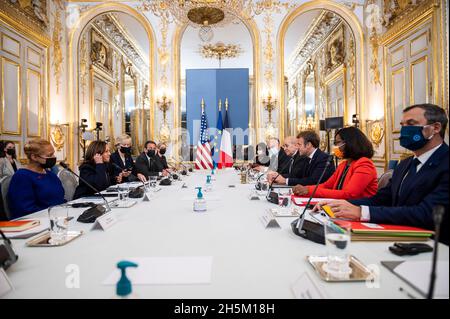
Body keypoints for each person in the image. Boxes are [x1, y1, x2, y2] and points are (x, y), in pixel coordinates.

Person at [315, 104, 449, 244]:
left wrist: (362, 212)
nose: (404, 130)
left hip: (435, 246)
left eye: (411, 124)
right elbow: (381, 199)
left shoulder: (445, 163)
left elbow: (427, 213)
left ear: (436, 128)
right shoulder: (405, 164)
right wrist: (338, 204)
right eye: (402, 124)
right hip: (397, 236)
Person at [293, 127, 378, 199]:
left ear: (350, 143)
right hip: (340, 206)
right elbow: (327, 185)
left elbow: (349, 194)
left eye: (338, 143)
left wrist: (309, 191)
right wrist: (305, 188)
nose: (336, 146)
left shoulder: (364, 164)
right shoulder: (343, 165)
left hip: (356, 210)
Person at [8, 139, 65, 219]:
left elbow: (60, 199)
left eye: (53, 154)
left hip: (58, 219)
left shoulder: (51, 175)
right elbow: (25, 210)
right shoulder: (22, 177)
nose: (54, 157)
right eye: (49, 155)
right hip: (37, 223)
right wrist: (54, 216)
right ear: (34, 157)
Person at [270, 131, 335, 186]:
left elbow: (314, 181)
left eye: (299, 144)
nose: (297, 147)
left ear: (308, 145)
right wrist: (277, 177)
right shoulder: (307, 157)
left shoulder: (324, 158)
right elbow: (298, 176)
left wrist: (286, 181)